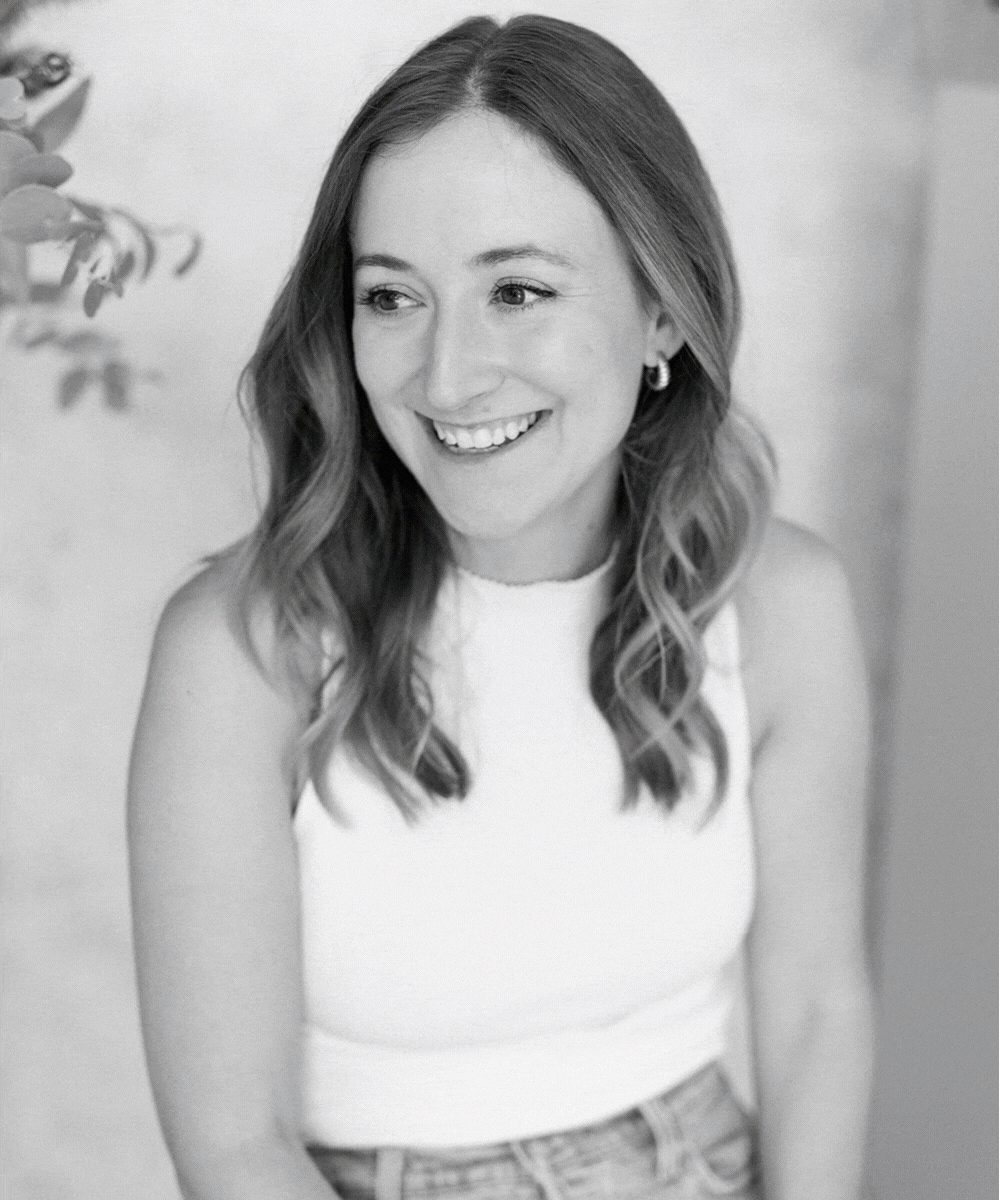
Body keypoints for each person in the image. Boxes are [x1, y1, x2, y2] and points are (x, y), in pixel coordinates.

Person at [127, 14, 874, 1200]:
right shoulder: (246, 651)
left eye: (517, 290)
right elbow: (235, 1145)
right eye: (391, 297)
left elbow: (818, 1011)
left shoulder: (781, 605)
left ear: (664, 315)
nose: (447, 377)